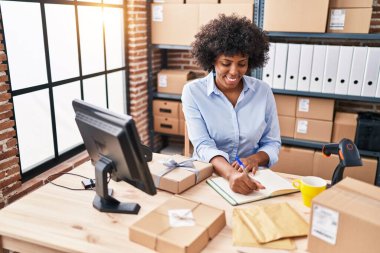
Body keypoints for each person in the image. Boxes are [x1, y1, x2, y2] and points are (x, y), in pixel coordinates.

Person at [181, 14, 281, 195]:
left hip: (252, 176)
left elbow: (272, 142)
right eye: (226, 63)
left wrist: (255, 158)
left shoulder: (263, 92)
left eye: (242, 64)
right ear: (212, 60)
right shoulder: (193, 92)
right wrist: (230, 174)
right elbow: (203, 145)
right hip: (208, 175)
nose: (234, 72)